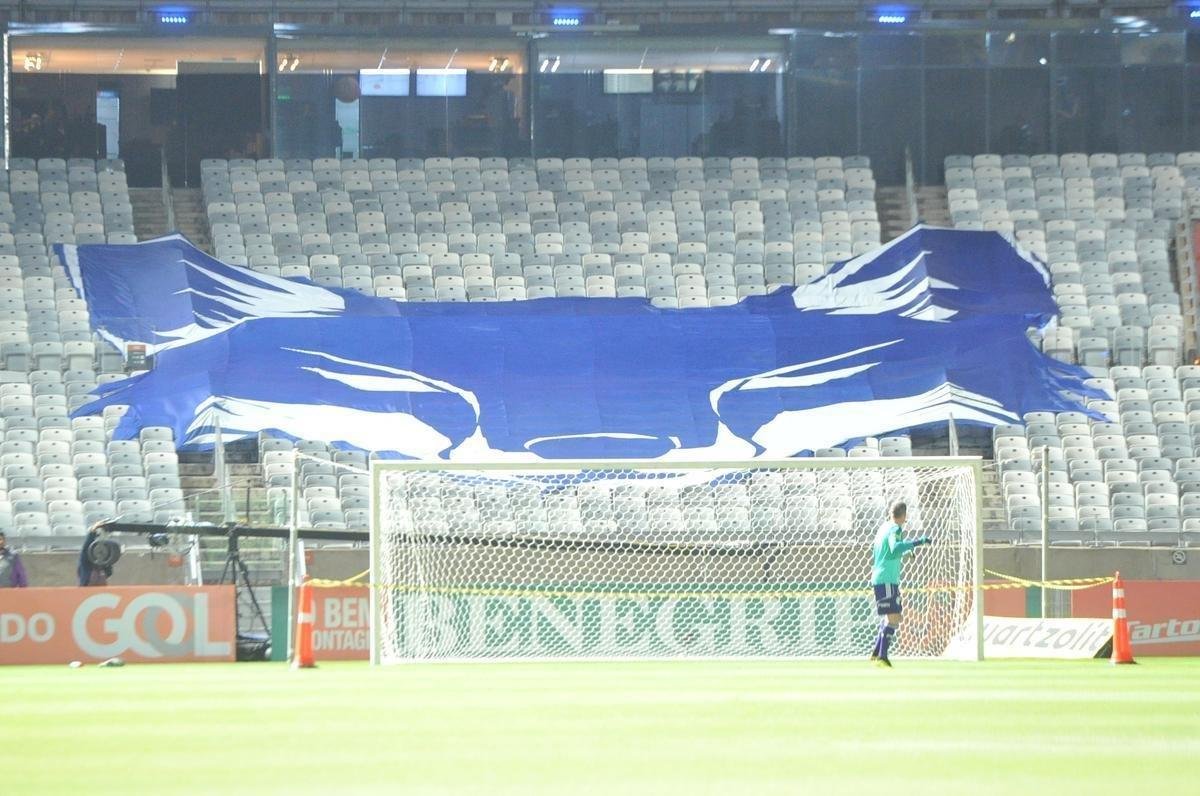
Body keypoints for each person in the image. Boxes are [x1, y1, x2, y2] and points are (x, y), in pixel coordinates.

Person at [869, 501, 930, 667]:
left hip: (881, 577)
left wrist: (905, 551)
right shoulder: (895, 529)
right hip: (887, 579)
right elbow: (895, 548)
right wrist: (918, 542)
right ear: (903, 516)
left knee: (893, 616)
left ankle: (876, 653)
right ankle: (882, 656)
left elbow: (886, 552)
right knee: (894, 617)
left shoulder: (884, 527)